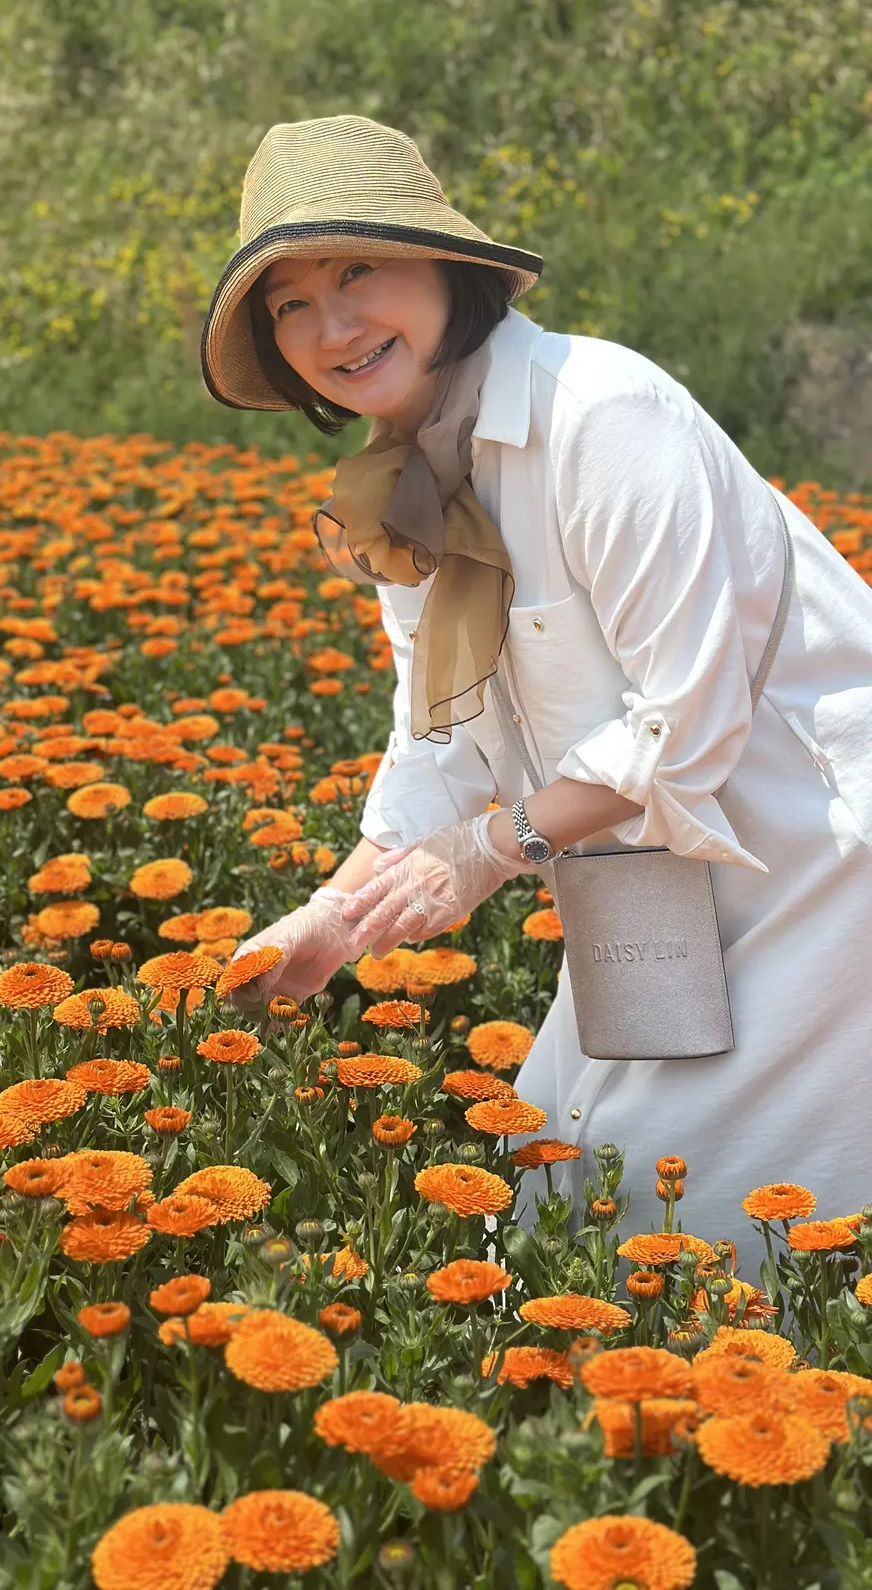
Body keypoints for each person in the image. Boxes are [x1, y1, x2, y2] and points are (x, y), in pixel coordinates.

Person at [197, 113, 872, 1276]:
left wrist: (490, 849)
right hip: (647, 887)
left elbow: (682, 730)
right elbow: (439, 744)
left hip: (818, 860)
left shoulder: (603, 416)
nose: (333, 325)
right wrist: (336, 915)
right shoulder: (401, 484)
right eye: (290, 303)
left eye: (359, 271)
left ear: (449, 271)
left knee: (697, 1236)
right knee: (558, 1177)